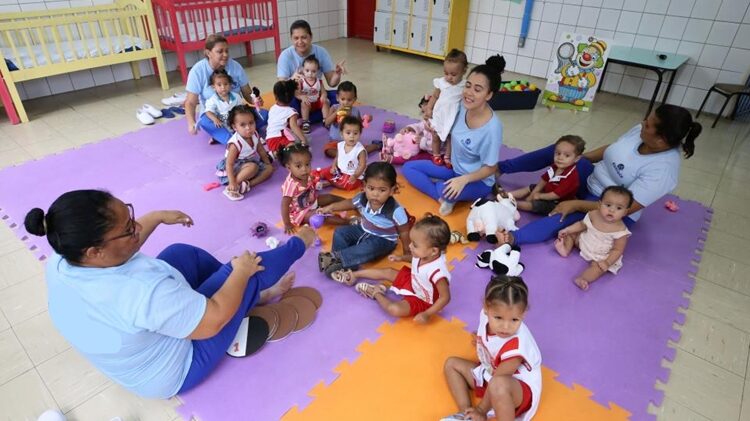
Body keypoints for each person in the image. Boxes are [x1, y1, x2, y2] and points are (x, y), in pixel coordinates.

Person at [24, 190, 316, 399]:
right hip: (175, 369)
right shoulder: (142, 292)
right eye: (129, 228)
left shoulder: (64, 257)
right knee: (247, 272)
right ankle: (295, 248)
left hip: (135, 344)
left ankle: (244, 299)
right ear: (94, 251)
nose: (138, 227)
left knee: (179, 253)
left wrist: (158, 217)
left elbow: (123, 251)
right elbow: (213, 321)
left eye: (132, 216)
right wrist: (240, 272)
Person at [496, 104, 702, 246]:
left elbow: (626, 207)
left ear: (661, 140)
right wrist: (575, 160)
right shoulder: (640, 132)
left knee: (564, 216)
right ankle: (499, 168)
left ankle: (513, 239)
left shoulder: (664, 169)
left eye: (648, 124)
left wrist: (575, 204)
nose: (643, 123)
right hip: (590, 181)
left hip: (611, 209)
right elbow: (612, 149)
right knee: (563, 150)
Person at [402, 55, 506, 216]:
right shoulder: (460, 106)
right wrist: (432, 123)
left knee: (445, 189)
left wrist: (463, 180)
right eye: (468, 86)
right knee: (409, 167)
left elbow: (491, 167)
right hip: (455, 169)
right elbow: (441, 119)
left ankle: (446, 192)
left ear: (489, 95)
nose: (469, 93)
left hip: (477, 180)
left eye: (477, 89)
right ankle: (442, 196)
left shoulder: (492, 128)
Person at [442, 275, 541, 421]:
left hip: (517, 391)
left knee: (497, 384)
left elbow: (499, 378)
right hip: (491, 373)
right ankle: (467, 414)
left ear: (524, 313)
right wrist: (481, 340)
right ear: (486, 308)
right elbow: (490, 340)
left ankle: (480, 413)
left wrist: (482, 409)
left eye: (514, 319)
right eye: (498, 318)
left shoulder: (516, 346)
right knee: (451, 364)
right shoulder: (485, 315)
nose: (505, 327)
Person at [335, 214, 452, 325]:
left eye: (415, 245)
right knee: (388, 271)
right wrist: (400, 258)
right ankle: (354, 274)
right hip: (414, 281)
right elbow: (415, 259)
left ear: (434, 251)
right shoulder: (424, 253)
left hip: (423, 299)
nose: (410, 246)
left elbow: (445, 297)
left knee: (394, 309)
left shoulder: (437, 272)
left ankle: (375, 292)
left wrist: (427, 314)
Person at [316, 162, 412, 278]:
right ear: (364, 185)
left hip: (383, 240)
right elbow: (350, 203)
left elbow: (404, 231)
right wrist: (330, 207)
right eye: (371, 188)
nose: (375, 194)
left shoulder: (396, 210)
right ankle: (347, 263)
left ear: (392, 190)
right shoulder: (362, 198)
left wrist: (407, 251)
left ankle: (334, 260)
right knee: (340, 232)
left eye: (382, 190)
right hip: (363, 229)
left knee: (367, 248)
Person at [185, 34, 267, 143]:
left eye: (227, 51)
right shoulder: (197, 71)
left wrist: (256, 100)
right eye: (220, 51)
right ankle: (234, 142)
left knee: (265, 114)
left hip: (237, 114)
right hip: (216, 117)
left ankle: (231, 134)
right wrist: (191, 123)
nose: (225, 55)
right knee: (204, 122)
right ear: (208, 53)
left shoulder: (235, 66)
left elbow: (247, 92)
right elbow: (190, 102)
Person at [555, 186, 633, 290]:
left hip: (601, 255)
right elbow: (582, 225)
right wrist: (568, 230)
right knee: (572, 234)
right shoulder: (593, 214)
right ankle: (565, 249)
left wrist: (607, 262)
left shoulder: (621, 230)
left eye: (619, 208)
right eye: (608, 205)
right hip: (586, 241)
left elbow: (617, 250)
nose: (612, 210)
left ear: (625, 212)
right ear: (600, 204)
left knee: (598, 268)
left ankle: (583, 278)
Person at [277, 20, 346, 122]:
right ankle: (322, 115)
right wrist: (291, 80)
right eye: (296, 38)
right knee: (285, 105)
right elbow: (280, 89)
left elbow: (332, 83)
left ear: (311, 37)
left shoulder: (321, 52)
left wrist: (337, 73)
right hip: (298, 98)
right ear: (291, 39)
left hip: (316, 95)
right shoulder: (285, 56)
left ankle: (308, 117)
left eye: (304, 37)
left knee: (341, 96)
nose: (300, 42)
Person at [506, 135, 585, 215]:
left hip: (557, 201)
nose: (560, 158)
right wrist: (534, 193)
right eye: (558, 153)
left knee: (536, 205)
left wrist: (539, 196)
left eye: (567, 155)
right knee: (530, 187)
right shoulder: (556, 166)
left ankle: (513, 204)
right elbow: (544, 179)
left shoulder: (571, 177)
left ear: (576, 158)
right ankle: (507, 195)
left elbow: (555, 195)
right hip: (548, 189)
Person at [279, 144, 346, 234]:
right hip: (300, 212)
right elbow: (284, 206)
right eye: (298, 166)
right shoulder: (291, 185)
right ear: (288, 167)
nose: (304, 169)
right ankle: (349, 222)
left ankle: (353, 203)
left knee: (330, 197)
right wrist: (287, 224)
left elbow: (313, 184)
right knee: (321, 216)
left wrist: (324, 184)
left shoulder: (308, 174)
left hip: (311, 201)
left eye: (307, 164)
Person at [422, 49, 470, 168]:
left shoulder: (464, 85)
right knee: (435, 135)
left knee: (451, 138)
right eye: (446, 73)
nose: (449, 77)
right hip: (440, 114)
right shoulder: (441, 83)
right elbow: (435, 96)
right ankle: (436, 154)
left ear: (463, 71)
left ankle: (448, 156)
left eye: (453, 74)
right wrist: (429, 108)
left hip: (453, 117)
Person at [215, 105, 274, 201]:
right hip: (233, 166)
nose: (248, 128)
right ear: (235, 127)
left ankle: (248, 184)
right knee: (253, 167)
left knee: (269, 169)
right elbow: (229, 164)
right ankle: (234, 186)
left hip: (248, 162)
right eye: (243, 125)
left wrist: (267, 163)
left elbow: (261, 150)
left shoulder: (255, 134)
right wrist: (232, 182)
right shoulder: (235, 143)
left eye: (251, 123)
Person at [322, 81, 378, 158]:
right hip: (335, 142)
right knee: (328, 150)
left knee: (362, 150)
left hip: (351, 141)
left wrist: (366, 120)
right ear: (337, 98)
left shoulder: (355, 111)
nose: (345, 102)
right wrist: (336, 113)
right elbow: (326, 123)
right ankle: (348, 155)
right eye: (343, 99)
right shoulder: (334, 108)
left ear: (354, 99)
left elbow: (359, 125)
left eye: (349, 100)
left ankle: (376, 146)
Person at [313, 115, 367, 191]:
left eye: (355, 133)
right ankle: (316, 178)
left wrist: (355, 176)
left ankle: (327, 183)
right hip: (339, 170)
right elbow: (337, 157)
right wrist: (333, 166)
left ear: (360, 134)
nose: (352, 136)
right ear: (342, 134)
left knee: (347, 184)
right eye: (348, 133)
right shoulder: (341, 145)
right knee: (325, 171)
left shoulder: (360, 150)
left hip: (351, 175)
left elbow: (362, 165)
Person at [265, 80, 308, 157]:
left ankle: (274, 152)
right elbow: (294, 126)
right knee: (294, 151)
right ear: (292, 96)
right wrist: (304, 140)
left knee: (288, 149)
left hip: (269, 140)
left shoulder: (272, 108)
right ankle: (274, 154)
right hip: (279, 138)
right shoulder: (291, 112)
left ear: (275, 96)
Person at [203, 70, 245, 136]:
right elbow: (208, 112)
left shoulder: (236, 96)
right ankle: (219, 137)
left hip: (236, 124)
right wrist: (215, 119)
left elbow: (242, 109)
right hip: (222, 125)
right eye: (219, 85)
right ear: (214, 87)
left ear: (230, 85)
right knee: (206, 123)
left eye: (226, 84)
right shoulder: (213, 100)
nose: (223, 87)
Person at [297, 55, 330, 134]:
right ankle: (305, 122)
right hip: (307, 103)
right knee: (303, 103)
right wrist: (302, 97)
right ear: (302, 70)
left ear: (318, 71)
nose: (310, 74)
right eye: (307, 70)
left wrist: (323, 96)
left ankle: (326, 120)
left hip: (317, 103)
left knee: (326, 101)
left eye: (313, 71)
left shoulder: (319, 81)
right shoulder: (301, 82)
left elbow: (324, 91)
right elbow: (296, 93)